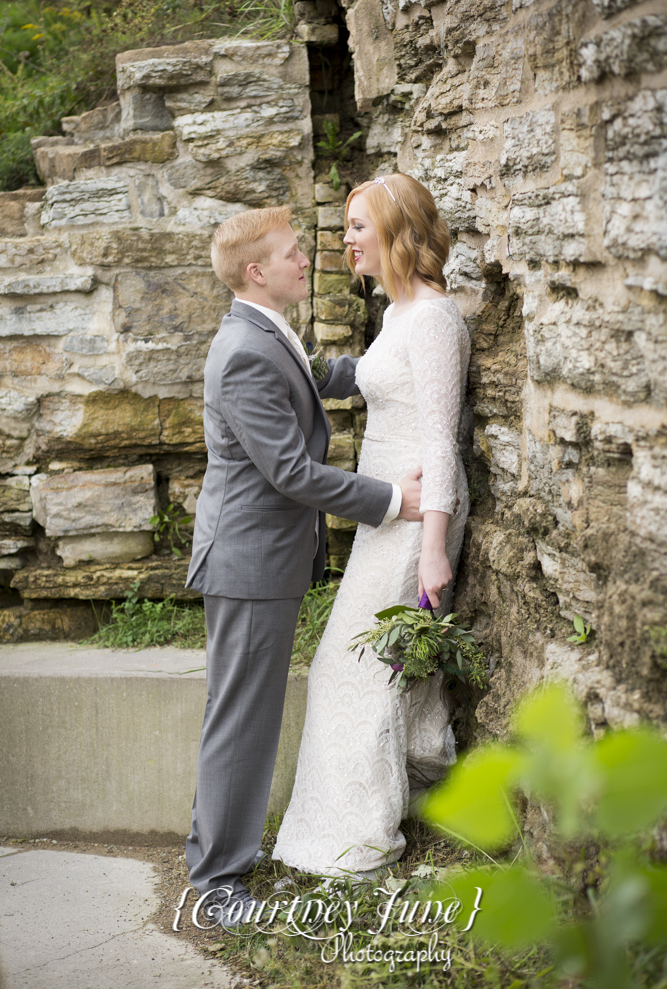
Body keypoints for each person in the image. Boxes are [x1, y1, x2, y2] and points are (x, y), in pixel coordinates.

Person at [184, 204, 425, 926]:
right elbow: (290, 471)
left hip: (261, 559)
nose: (305, 260)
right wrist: (390, 500)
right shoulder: (242, 353)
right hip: (247, 564)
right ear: (257, 272)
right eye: (292, 253)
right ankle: (217, 882)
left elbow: (317, 374)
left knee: (242, 715)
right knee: (241, 720)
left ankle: (215, 860)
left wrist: (395, 357)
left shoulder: (265, 333)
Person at [273, 174, 471, 877]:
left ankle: (358, 838)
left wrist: (432, 550)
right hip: (387, 507)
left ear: (396, 231)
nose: (346, 240)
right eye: (347, 225)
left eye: (359, 226)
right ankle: (409, 792)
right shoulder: (396, 313)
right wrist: (280, 354)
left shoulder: (435, 320)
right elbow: (361, 377)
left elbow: (442, 440)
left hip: (420, 510)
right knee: (378, 665)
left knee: (355, 668)